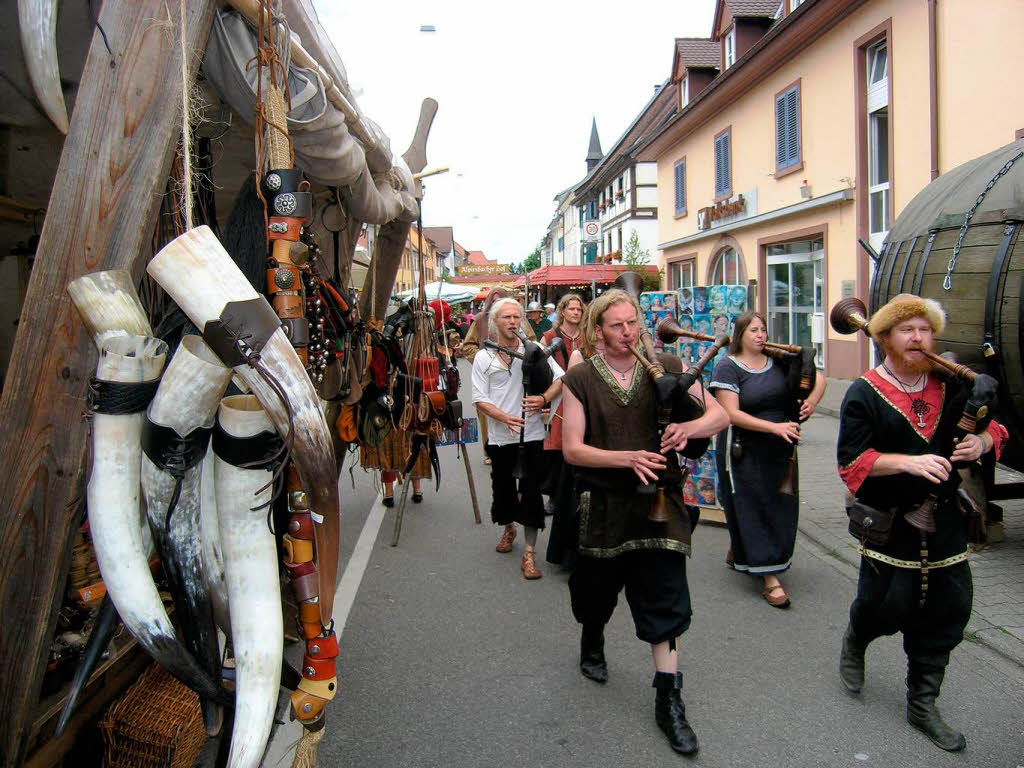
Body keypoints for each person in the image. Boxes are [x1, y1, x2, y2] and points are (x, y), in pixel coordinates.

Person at [836, 294, 1007, 752]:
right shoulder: (863, 392)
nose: (918, 337)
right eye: (906, 329)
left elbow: (996, 429)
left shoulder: (952, 384)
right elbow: (851, 462)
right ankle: (857, 638)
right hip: (890, 521)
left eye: (925, 328)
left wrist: (984, 443)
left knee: (947, 609)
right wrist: (908, 464)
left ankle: (923, 703)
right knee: (883, 604)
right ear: (886, 338)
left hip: (945, 521)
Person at [561, 289, 729, 756]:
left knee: (665, 596)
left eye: (632, 323)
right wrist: (626, 457)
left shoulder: (669, 370)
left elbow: (718, 415)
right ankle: (592, 638)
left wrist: (688, 428)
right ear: (598, 331)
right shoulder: (580, 379)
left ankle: (668, 699)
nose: (628, 333)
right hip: (606, 503)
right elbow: (573, 447)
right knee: (595, 593)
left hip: (660, 502)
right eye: (616, 326)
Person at [709, 312, 825, 608]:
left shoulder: (780, 359)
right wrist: (774, 427)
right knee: (752, 505)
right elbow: (730, 413)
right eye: (753, 330)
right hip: (743, 448)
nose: (760, 335)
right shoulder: (727, 367)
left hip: (780, 448)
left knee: (780, 505)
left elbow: (818, 377)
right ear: (740, 335)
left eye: (763, 329)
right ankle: (769, 577)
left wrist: (812, 401)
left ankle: (742, 547)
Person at [471, 297, 563, 580]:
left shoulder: (533, 351)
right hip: (501, 437)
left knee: (532, 491)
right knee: (503, 489)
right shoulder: (484, 357)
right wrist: (503, 417)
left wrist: (543, 398)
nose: (513, 322)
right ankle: (509, 527)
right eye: (507, 317)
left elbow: (561, 378)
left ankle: (529, 554)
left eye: (517, 317)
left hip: (533, 434)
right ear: (495, 323)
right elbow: (479, 398)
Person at [463, 289, 536, 463]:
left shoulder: (517, 318)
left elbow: (532, 341)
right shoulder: (481, 319)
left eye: (500, 300)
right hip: (490, 376)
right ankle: (490, 452)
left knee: (519, 413)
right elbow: (468, 346)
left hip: (517, 373)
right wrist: (488, 360)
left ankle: (521, 451)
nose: (512, 320)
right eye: (494, 300)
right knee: (487, 416)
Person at [540, 293, 586, 568]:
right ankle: (555, 496)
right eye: (572, 308)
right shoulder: (549, 335)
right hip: (558, 395)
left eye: (579, 308)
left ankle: (563, 495)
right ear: (562, 311)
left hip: (580, 393)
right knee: (557, 445)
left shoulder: (588, 335)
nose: (576, 312)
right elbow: (544, 367)